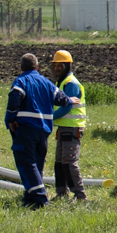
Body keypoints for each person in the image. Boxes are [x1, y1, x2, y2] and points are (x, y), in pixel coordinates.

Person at [5, 52, 57, 209]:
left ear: (21, 67)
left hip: (26, 130)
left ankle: (41, 198)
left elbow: (14, 99)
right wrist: (70, 100)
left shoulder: (21, 81)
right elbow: (60, 98)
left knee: (27, 165)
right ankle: (30, 200)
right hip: (44, 132)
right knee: (37, 165)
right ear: (37, 67)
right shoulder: (46, 82)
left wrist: (10, 120)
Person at [50, 48, 87, 200]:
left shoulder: (71, 84)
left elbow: (67, 106)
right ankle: (61, 194)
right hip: (64, 128)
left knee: (69, 163)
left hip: (72, 128)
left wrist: (50, 118)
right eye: (55, 65)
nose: (57, 68)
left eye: (61, 65)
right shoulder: (62, 82)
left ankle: (80, 196)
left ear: (68, 66)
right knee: (59, 162)